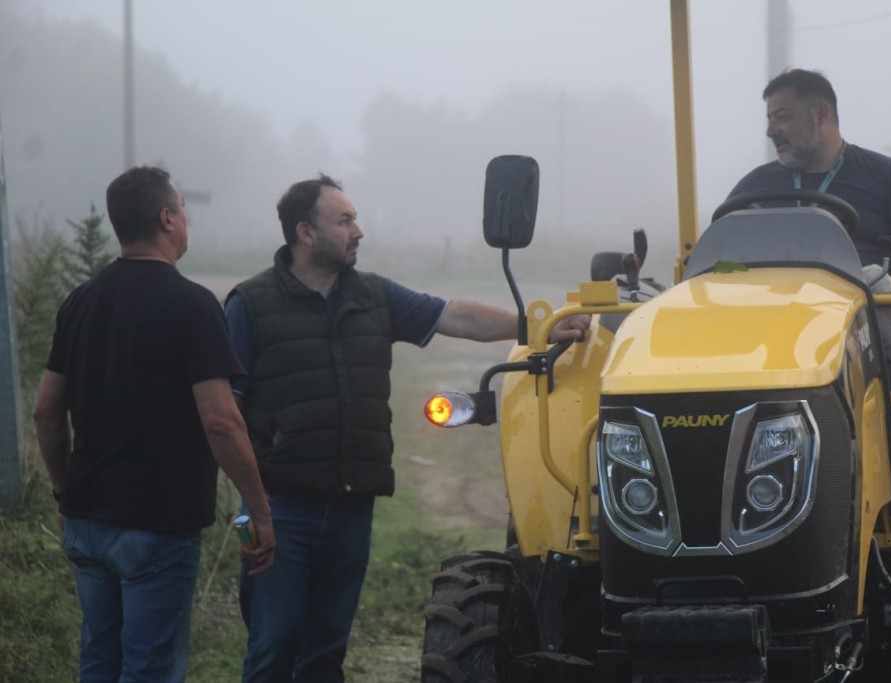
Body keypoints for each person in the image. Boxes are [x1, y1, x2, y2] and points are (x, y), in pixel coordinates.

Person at [226, 174, 590, 682]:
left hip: (351, 505)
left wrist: (537, 327)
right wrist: (254, 506)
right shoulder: (250, 305)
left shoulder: (374, 296)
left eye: (355, 219)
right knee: (272, 650)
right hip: (280, 508)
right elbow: (225, 412)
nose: (358, 231)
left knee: (326, 654)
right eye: (345, 220)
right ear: (305, 233)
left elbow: (455, 317)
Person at [33, 166, 276, 683]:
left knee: (99, 655)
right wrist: (260, 511)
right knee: (151, 667)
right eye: (183, 209)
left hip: (86, 517)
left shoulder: (80, 300)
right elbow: (221, 422)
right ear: (167, 218)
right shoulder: (191, 305)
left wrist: (64, 493)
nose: (186, 220)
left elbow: (47, 410)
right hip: (157, 525)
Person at [729, 68, 891, 396]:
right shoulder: (752, 188)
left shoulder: (889, 177)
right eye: (769, 119)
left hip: (866, 309)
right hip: (771, 311)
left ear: (820, 113)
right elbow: (718, 256)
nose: (770, 130)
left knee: (884, 356)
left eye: (782, 117)